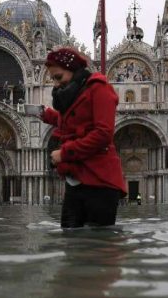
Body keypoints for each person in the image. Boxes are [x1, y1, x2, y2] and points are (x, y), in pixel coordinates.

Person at [41, 47, 127, 228]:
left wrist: (64, 153)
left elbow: (103, 134)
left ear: (73, 70)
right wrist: (46, 114)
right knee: (70, 240)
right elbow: (76, 121)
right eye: (53, 79)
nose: (56, 84)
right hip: (76, 178)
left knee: (98, 244)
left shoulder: (99, 88)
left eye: (59, 77)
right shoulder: (74, 93)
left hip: (99, 180)